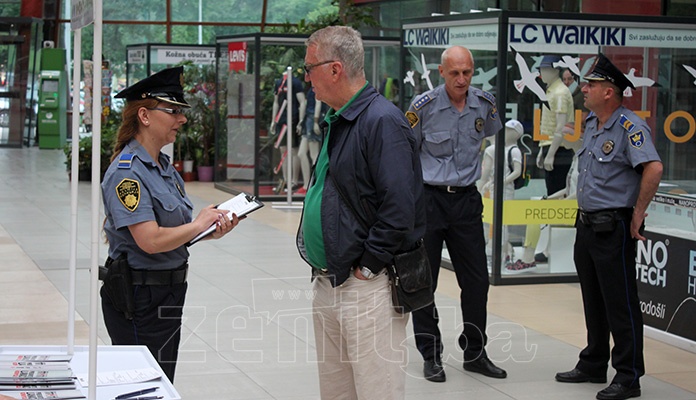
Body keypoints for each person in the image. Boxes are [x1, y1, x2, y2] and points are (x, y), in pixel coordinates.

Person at [296, 26, 425, 400]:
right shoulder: (339, 118)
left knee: (376, 389)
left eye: (310, 68)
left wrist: (368, 266)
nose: (307, 78)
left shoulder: (382, 121)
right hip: (330, 280)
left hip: (366, 287)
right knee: (337, 392)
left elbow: (400, 207)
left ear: (335, 69)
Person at [101, 66, 239, 382]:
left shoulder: (163, 166)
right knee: (142, 386)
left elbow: (172, 232)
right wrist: (197, 224)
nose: (182, 119)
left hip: (167, 292)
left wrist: (207, 229)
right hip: (139, 296)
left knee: (160, 381)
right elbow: (149, 240)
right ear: (145, 116)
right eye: (173, 111)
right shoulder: (127, 173)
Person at [554, 53, 663, 400]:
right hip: (586, 225)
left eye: (592, 84)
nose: (584, 88)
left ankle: (629, 375)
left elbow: (654, 168)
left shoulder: (630, 126)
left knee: (620, 303)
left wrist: (637, 214)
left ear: (609, 92)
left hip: (611, 227)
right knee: (593, 299)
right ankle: (593, 360)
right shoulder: (591, 123)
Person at [406, 45, 506, 382]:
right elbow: (407, 154)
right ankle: (430, 354)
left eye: (467, 72)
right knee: (424, 281)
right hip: (430, 200)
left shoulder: (485, 104)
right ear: (441, 73)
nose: (462, 79)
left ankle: (475, 352)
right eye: (455, 73)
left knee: (477, 280)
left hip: (466, 201)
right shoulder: (424, 107)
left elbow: (489, 137)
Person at [479, 119, 524, 267]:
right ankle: (499, 252)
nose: (505, 132)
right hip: (493, 189)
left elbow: (517, 172)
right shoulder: (500, 149)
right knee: (491, 221)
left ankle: (500, 253)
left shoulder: (514, 151)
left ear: (516, 133)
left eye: (509, 130)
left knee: (502, 223)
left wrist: (500, 182)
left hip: (506, 190)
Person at [270, 71, 306, 193]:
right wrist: (273, 120)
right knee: (283, 150)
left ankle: (294, 181)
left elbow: (302, 101)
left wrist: (301, 120)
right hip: (281, 121)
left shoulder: (295, 83)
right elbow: (276, 102)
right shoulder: (279, 83)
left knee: (294, 150)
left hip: (293, 120)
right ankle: (285, 180)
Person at [296, 86, 326, 195]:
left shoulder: (317, 86)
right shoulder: (312, 87)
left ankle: (314, 185)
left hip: (313, 119)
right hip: (308, 119)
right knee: (301, 153)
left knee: (314, 155)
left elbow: (318, 104)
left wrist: (315, 121)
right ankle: (306, 184)